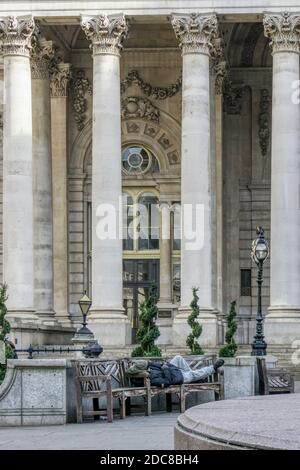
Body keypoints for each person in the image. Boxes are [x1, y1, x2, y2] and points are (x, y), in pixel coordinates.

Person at [147, 355, 225, 387]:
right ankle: (213, 368)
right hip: (176, 377)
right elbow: (167, 382)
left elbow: (160, 365)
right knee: (192, 374)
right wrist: (165, 369)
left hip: (172, 370)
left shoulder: (148, 367)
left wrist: (164, 365)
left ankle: (195, 379)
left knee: (178, 358)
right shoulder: (152, 379)